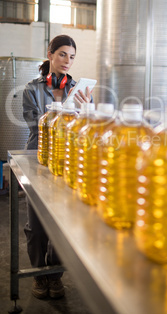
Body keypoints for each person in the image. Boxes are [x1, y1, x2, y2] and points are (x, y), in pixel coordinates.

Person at [22, 34, 92, 299]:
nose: (67, 61)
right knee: (36, 224)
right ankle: (39, 277)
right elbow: (35, 126)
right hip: (37, 160)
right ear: (50, 54)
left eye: (72, 57)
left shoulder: (80, 89)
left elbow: (86, 129)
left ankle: (55, 275)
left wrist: (86, 111)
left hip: (68, 161)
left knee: (65, 222)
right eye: (62, 54)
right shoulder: (31, 89)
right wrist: (62, 113)